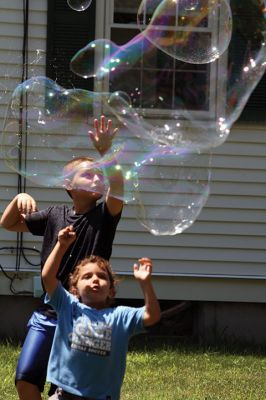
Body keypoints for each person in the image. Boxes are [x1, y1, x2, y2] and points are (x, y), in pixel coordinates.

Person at [0, 116, 124, 400]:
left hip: (84, 316)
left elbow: (117, 190)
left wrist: (107, 153)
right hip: (49, 311)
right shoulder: (54, 215)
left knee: (67, 391)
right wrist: (17, 198)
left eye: (99, 175)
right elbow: (8, 223)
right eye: (89, 174)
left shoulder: (104, 217)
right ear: (68, 184)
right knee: (25, 380)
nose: (98, 178)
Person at [42, 225, 161, 400]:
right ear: (74, 289)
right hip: (65, 394)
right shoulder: (68, 305)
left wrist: (145, 284)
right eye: (87, 276)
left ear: (111, 290)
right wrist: (61, 245)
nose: (95, 280)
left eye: (102, 277)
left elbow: (152, 316)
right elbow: (48, 277)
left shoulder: (120, 316)